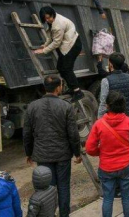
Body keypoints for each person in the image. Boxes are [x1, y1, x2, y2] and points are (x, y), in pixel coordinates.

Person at [23, 75, 82, 217]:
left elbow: (27, 134)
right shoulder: (66, 107)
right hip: (62, 156)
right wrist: (77, 153)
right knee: (63, 187)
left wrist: (28, 153)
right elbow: (73, 134)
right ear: (58, 88)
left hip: (43, 155)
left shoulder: (32, 107)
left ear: (45, 88)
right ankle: (64, 214)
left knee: (47, 188)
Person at [86, 91, 129, 217]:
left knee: (107, 198)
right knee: (127, 197)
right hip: (127, 165)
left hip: (106, 167)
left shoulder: (99, 124)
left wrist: (101, 152)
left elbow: (89, 148)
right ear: (123, 105)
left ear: (107, 106)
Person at [34, 6, 84, 102]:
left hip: (72, 45)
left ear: (52, 14)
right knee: (61, 68)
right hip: (66, 45)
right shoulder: (52, 21)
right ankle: (72, 88)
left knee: (66, 68)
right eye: (46, 18)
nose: (48, 20)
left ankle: (78, 92)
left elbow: (56, 42)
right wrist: (45, 45)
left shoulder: (58, 24)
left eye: (49, 17)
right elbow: (50, 37)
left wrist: (44, 50)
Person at [98, 53, 129, 120]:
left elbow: (103, 103)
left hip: (114, 120)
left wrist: (99, 119)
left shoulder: (106, 80)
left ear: (111, 65)